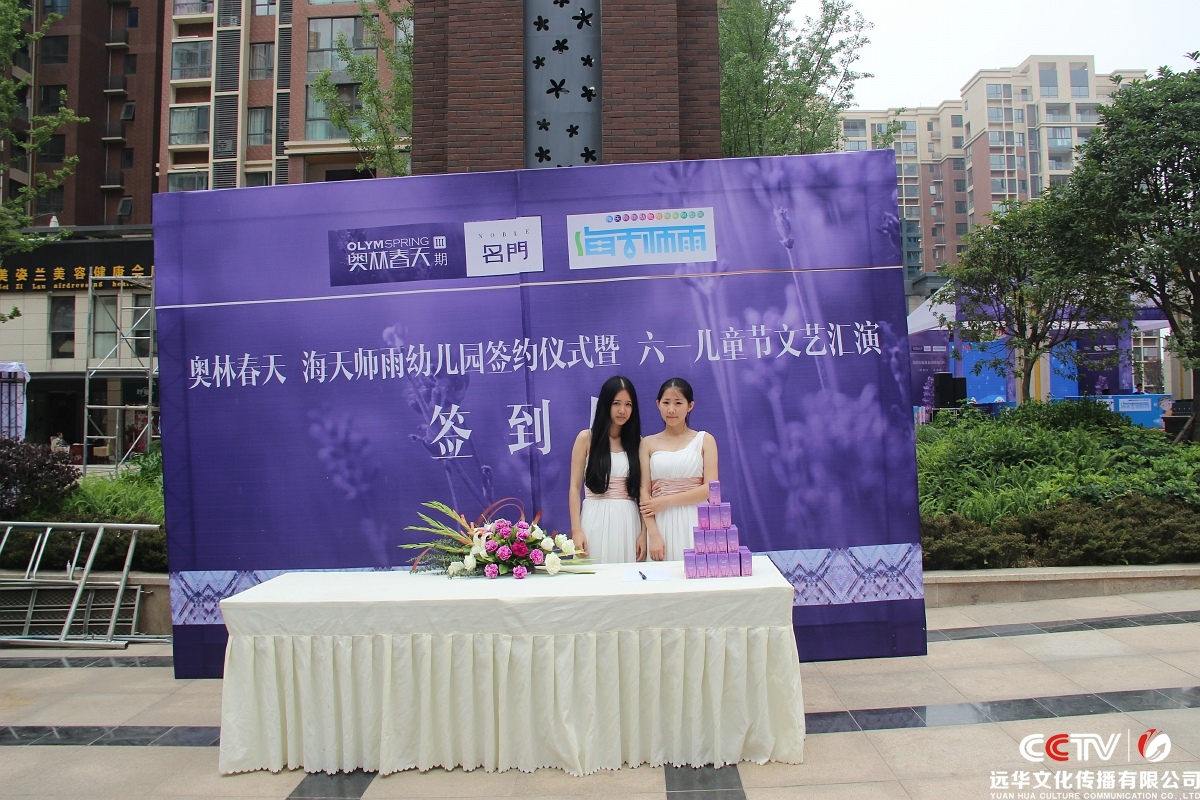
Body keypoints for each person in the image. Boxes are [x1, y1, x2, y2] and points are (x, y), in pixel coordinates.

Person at [638, 377, 718, 561]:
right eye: (666, 403)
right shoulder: (647, 443)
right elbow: (643, 490)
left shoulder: (705, 440)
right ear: (658, 404)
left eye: (678, 403)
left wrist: (666, 501)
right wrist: (653, 534)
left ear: (690, 406)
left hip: (697, 520)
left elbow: (710, 488)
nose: (671, 409)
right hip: (661, 522)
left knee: (698, 573)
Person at [568, 375, 643, 563]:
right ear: (605, 404)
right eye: (616, 403)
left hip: (628, 520)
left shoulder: (638, 443)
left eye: (628, 404)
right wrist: (576, 530)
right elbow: (574, 488)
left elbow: (644, 492)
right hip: (594, 517)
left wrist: (643, 533)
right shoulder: (586, 439)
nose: (622, 410)